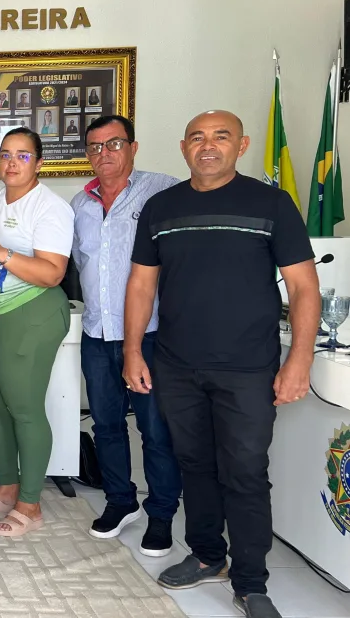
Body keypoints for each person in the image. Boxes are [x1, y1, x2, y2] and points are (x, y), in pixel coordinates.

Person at [124, 111, 319, 618]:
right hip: (176, 364)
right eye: (197, 137)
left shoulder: (271, 203)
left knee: (245, 472)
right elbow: (142, 284)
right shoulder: (161, 207)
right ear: (184, 147)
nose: (208, 146)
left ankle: (251, 582)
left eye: (221, 136)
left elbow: (303, 287)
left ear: (242, 145)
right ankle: (208, 555)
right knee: (195, 465)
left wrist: (299, 359)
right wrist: (132, 351)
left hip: (248, 368)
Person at [71, 115, 182, 555]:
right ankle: (120, 501)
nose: (104, 154)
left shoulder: (164, 191)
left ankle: (162, 515)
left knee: (156, 430)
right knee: (106, 425)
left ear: (133, 147)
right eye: (95, 147)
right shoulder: (80, 204)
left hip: (151, 335)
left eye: (114, 144)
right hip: (97, 334)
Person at [0, 127, 73, 538]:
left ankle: (30, 504)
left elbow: (52, 272)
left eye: (23, 155)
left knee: (24, 407)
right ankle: (8, 486)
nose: (12, 163)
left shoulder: (50, 207)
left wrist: (1, 251)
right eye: (6, 154)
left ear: (39, 163)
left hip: (33, 312)